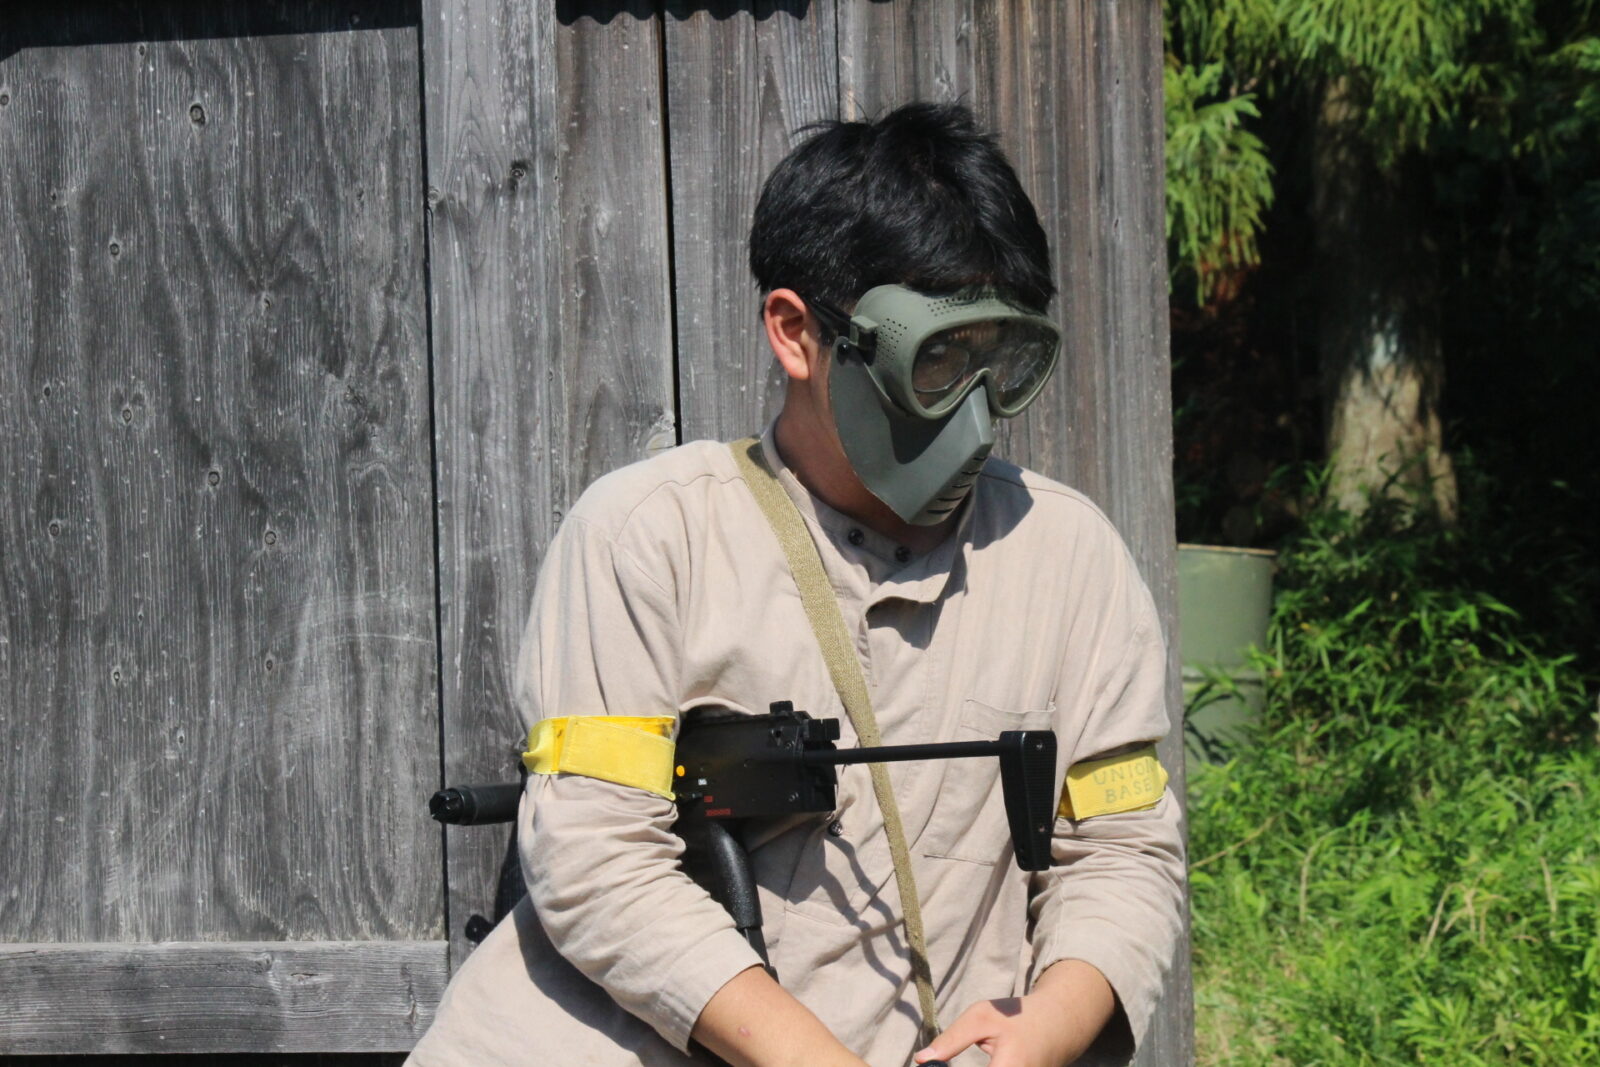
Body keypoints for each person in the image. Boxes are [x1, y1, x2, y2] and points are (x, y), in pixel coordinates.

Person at [407, 102, 1185, 1067]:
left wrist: (1042, 1031)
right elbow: (597, 856)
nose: (976, 416)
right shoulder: (653, 535)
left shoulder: (1069, 557)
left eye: (1002, 360)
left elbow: (1124, 850)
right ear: (796, 331)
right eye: (937, 360)